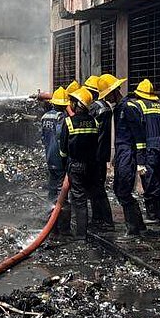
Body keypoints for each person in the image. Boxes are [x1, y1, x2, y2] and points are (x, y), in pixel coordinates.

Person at [58, 85, 101, 239]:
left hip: (75, 165)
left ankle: (81, 234)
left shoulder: (69, 122)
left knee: (79, 199)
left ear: (78, 104)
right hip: (91, 165)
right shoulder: (94, 122)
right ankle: (91, 227)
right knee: (89, 195)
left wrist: (65, 167)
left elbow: (63, 149)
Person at [132, 79, 160, 226]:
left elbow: (139, 134)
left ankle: (153, 215)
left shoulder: (139, 107)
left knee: (149, 181)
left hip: (149, 148)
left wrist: (140, 160)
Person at [90, 73, 125, 230]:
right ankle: (99, 219)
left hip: (96, 155)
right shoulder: (108, 109)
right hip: (101, 154)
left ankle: (105, 221)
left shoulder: (99, 109)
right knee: (95, 188)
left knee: (98, 189)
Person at [40, 84, 71, 208]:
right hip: (59, 157)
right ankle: (60, 212)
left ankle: (49, 210)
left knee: (52, 186)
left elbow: (43, 138)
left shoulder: (44, 117)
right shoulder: (61, 118)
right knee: (61, 188)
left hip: (49, 156)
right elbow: (61, 138)